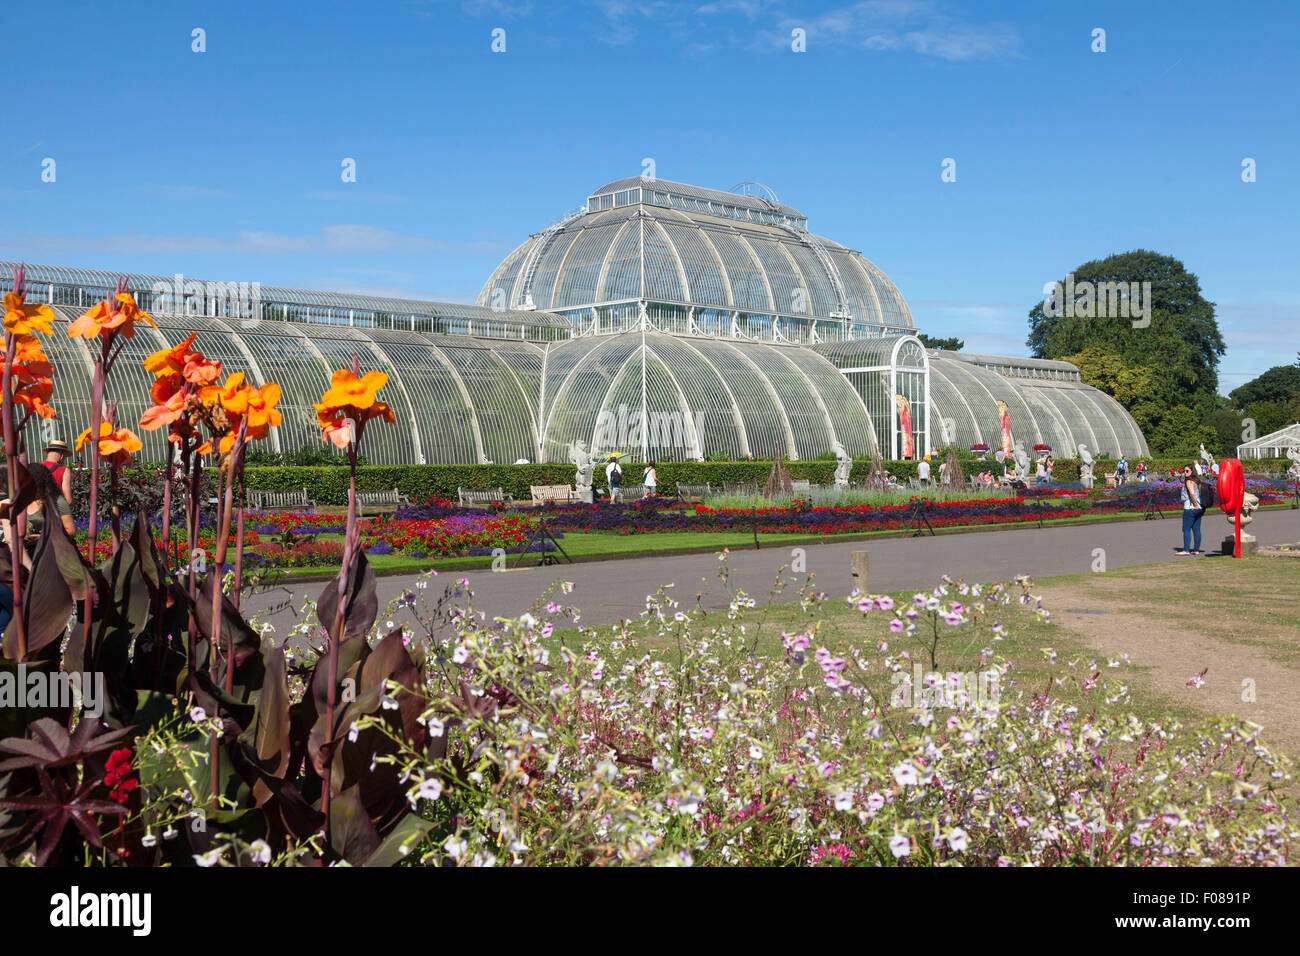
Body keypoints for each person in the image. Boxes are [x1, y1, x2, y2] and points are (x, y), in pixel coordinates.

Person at [21, 462, 74, 550]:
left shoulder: (57, 501)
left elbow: (71, 531)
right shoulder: (23, 500)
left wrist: (42, 538)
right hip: (26, 555)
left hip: (51, 553)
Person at [1176, 464, 1203, 555]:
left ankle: (1186, 550)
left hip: (1190, 508)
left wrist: (1194, 504)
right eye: (1184, 471)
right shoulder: (1197, 481)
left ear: (1192, 471)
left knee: (1186, 529)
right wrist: (1197, 505)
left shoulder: (1189, 481)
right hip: (1200, 508)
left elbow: (1192, 494)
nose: (1185, 473)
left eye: (1187, 471)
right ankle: (1196, 550)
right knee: (1196, 529)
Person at [41, 439, 74, 503]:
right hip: (53, 508)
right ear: (61, 456)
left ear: (48, 452)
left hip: (36, 508)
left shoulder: (36, 466)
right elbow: (68, 500)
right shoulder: (64, 470)